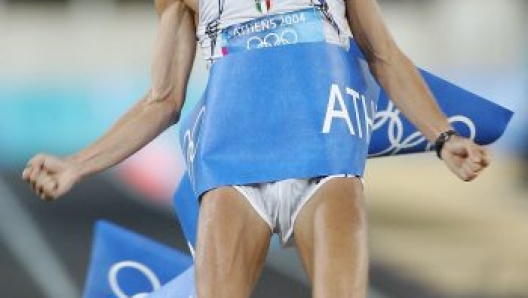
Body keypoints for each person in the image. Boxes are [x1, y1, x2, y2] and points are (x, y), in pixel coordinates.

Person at [22, 0, 490, 297]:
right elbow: (162, 100)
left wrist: (443, 136)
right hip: (232, 170)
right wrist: (75, 165)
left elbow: (385, 56)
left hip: (324, 161)